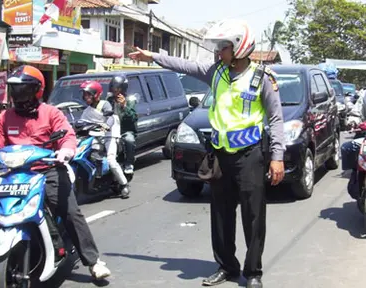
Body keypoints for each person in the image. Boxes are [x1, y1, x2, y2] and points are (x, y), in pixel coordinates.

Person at [129, 19, 285, 288]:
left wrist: (277, 156)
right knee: (221, 214)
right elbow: (183, 65)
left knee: (253, 215)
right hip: (220, 155)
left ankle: (253, 272)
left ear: (239, 48)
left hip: (250, 156)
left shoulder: (262, 78)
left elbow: (277, 118)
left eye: (223, 47)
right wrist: (152, 56)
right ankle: (226, 266)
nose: (218, 53)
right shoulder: (216, 72)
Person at [0, 65, 111, 280]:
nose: (18, 95)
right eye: (14, 90)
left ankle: (93, 261)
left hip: (47, 170)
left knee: (69, 211)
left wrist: (66, 151)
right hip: (16, 174)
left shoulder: (51, 113)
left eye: (23, 90)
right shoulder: (5, 117)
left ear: (36, 91)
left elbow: (67, 136)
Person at [80, 80, 131, 198]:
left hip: (110, 136)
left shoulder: (104, 104)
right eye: (84, 94)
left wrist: (106, 126)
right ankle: (97, 176)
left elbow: (111, 118)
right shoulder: (87, 110)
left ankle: (124, 184)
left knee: (111, 161)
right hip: (96, 136)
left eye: (88, 94)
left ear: (96, 94)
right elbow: (81, 123)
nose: (86, 97)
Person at [108, 75, 138, 174]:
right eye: (113, 87)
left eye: (117, 88)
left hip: (125, 130)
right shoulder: (109, 100)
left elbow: (133, 117)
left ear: (122, 88)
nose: (114, 90)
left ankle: (129, 163)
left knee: (129, 139)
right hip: (111, 129)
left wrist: (124, 106)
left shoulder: (130, 100)